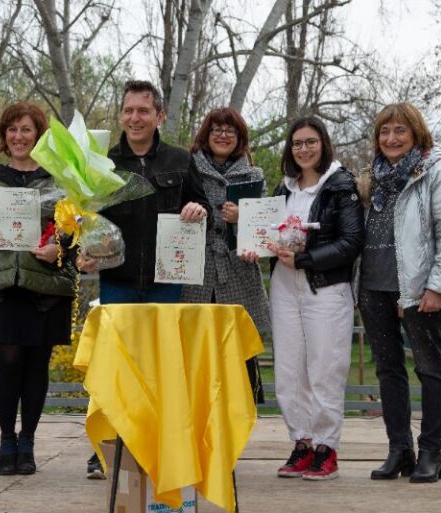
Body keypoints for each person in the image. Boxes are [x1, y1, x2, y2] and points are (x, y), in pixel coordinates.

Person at [78, 80, 209, 479]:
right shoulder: (102, 161)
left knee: (161, 366)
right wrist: (83, 249)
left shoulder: (179, 160)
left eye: (143, 111)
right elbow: (83, 214)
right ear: (121, 114)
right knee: (116, 367)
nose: (135, 118)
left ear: (159, 116)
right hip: (116, 280)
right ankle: (110, 445)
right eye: (129, 110)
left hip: (166, 280)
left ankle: (158, 444)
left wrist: (196, 208)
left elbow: (204, 205)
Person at [0, 102, 78, 476]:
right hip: (2, 283)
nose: (18, 137)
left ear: (39, 135)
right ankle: (6, 438)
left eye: (26, 130)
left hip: (44, 285)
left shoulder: (59, 180)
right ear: (4, 137)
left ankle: (27, 440)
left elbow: (75, 232)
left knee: (36, 364)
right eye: (12, 130)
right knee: (8, 361)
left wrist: (57, 247)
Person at [357, 102, 441, 483]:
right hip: (374, 286)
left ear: (416, 134)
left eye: (400, 131)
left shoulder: (436, 172)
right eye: (384, 132)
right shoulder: (372, 176)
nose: (391, 138)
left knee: (430, 368)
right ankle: (399, 449)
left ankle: (431, 453)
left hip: (418, 289)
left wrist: (439, 287)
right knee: (388, 370)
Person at [248, 116, 364, 481]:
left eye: (310, 142)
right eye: (297, 143)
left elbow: (350, 243)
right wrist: (256, 245)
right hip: (284, 286)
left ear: (323, 143)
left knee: (325, 368)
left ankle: (326, 448)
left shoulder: (340, 186)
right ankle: (302, 443)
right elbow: (268, 232)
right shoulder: (284, 190)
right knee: (289, 370)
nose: (303, 149)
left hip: (325, 288)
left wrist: (304, 259)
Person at [180, 107, 270, 403]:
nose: (223, 135)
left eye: (230, 130)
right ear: (205, 134)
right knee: (195, 356)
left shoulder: (254, 174)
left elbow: (265, 229)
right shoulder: (186, 167)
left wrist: (243, 218)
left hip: (238, 275)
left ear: (240, 138)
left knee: (239, 357)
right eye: (216, 129)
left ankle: (236, 428)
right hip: (196, 274)